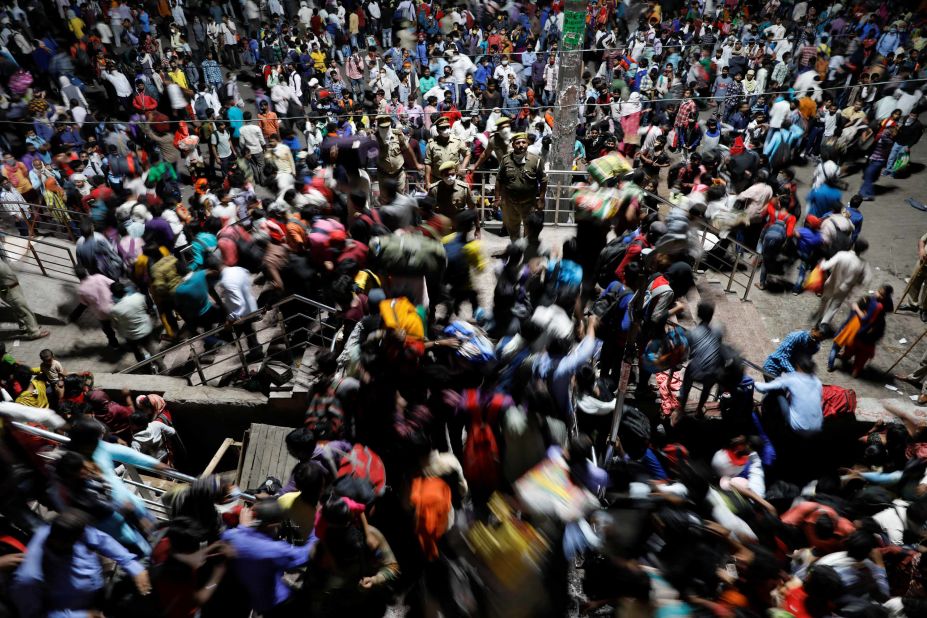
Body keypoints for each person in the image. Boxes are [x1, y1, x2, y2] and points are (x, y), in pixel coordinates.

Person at [13, 510, 151, 618]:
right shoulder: (29, 577)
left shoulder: (67, 529)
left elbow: (101, 540)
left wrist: (132, 565)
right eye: (82, 535)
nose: (87, 535)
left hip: (97, 595)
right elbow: (33, 615)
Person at [222, 500, 316, 616]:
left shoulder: (232, 536)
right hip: (277, 604)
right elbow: (305, 554)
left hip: (250, 600)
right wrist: (315, 529)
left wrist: (243, 528)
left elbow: (231, 536)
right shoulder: (274, 549)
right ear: (273, 525)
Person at [828, 286, 893, 377]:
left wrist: (856, 308)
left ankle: (849, 361)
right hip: (871, 337)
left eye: (879, 292)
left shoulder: (875, 306)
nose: (876, 293)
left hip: (862, 331)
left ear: (883, 297)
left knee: (853, 347)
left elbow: (865, 318)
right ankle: (856, 369)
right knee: (862, 355)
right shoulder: (883, 310)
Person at [755, 354, 824, 437]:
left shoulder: (793, 378)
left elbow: (762, 388)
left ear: (799, 367)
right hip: (817, 428)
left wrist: (753, 382)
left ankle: (772, 418)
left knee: (778, 391)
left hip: (798, 428)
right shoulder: (818, 382)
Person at [495, 132, 547, 239]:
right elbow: (499, 180)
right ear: (513, 145)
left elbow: (543, 180)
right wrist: (497, 199)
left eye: (524, 142)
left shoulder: (536, 160)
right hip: (510, 203)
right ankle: (516, 251)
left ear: (528, 144)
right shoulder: (506, 160)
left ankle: (526, 250)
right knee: (513, 231)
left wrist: (541, 198)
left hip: (529, 203)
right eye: (518, 142)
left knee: (529, 231)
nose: (521, 145)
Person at [812, 238, 869, 328]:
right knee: (833, 307)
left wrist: (822, 261)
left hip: (832, 282)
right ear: (863, 251)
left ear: (854, 245)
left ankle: (819, 316)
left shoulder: (842, 254)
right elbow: (864, 281)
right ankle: (822, 325)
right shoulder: (863, 264)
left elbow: (825, 266)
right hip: (844, 289)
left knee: (824, 300)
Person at [109, 281, 165, 372]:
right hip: (145, 329)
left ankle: (147, 370)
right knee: (151, 348)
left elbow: (116, 325)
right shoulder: (139, 297)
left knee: (137, 352)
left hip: (131, 335)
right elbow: (146, 309)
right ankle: (162, 367)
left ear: (114, 294)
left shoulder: (115, 310)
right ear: (124, 290)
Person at [0, 259, 48, 339]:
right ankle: (34, 332)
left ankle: (25, 327)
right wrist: (4, 290)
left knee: (18, 308)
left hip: (12, 286)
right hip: (8, 289)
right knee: (24, 309)